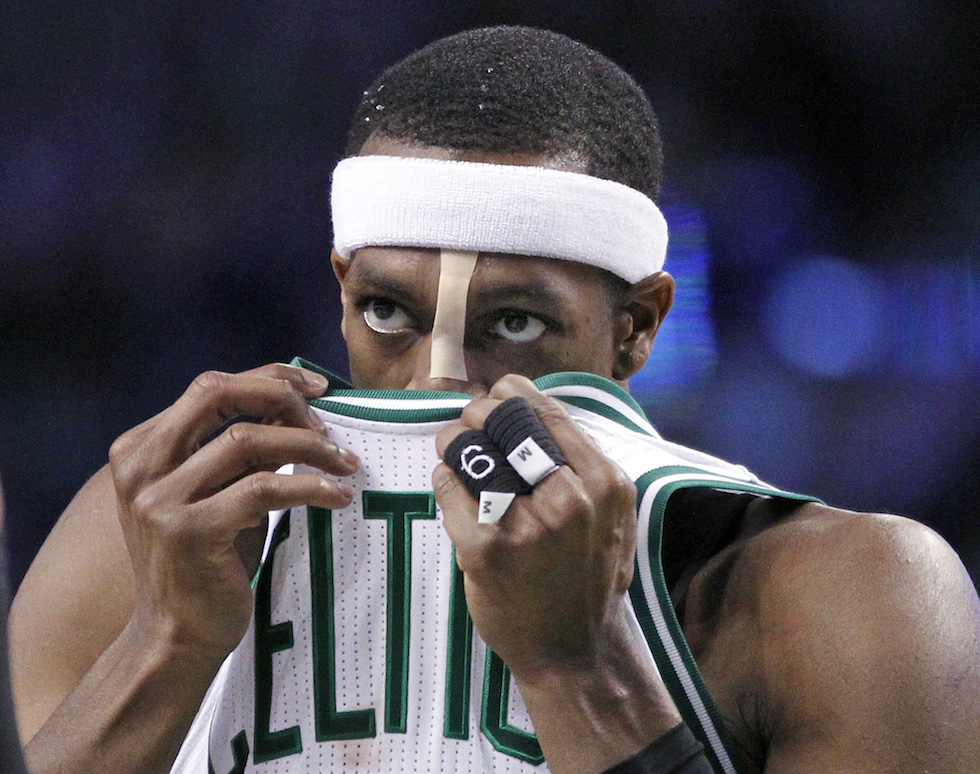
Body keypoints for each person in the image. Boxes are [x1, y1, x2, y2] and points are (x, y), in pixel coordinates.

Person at [9, 25, 980, 774]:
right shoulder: (155, 536)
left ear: (637, 326)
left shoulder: (842, 592)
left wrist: (579, 670)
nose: (440, 379)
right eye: (387, 311)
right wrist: (169, 644)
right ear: (341, 290)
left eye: (514, 322)